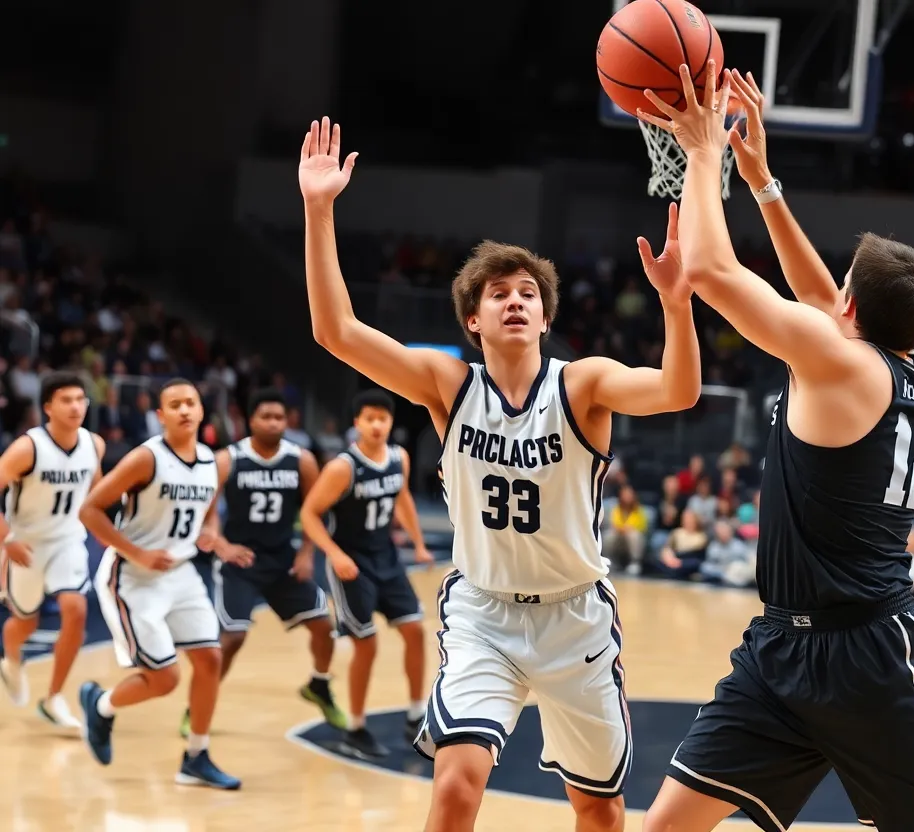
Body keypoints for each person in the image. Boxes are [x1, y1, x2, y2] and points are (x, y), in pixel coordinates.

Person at [298, 116, 700, 832]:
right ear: (473, 321)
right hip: (484, 614)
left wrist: (675, 303)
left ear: (545, 318)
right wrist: (318, 209)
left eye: (527, 293)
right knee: (454, 789)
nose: (514, 300)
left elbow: (678, 391)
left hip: (574, 617)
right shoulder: (447, 386)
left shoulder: (584, 385)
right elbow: (335, 333)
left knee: (600, 814)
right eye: (498, 293)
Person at [636, 65, 914, 832]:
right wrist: (762, 183)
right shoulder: (896, 364)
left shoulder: (843, 361)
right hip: (781, 648)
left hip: (867, 656)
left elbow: (715, 272)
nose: (827, 292)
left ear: (852, 308)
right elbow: (822, 297)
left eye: (842, 285)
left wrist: (702, 152)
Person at [78, 379, 251, 790]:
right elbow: (91, 511)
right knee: (165, 679)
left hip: (182, 572)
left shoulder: (210, 461)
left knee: (210, 659)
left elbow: (207, 511)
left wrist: (212, 534)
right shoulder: (146, 459)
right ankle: (101, 706)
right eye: (174, 405)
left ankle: (196, 757)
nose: (184, 410)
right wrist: (137, 553)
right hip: (133, 577)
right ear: (161, 416)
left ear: (201, 410)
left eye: (191, 402)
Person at [180, 387, 344, 739]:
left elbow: (315, 512)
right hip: (240, 561)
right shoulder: (227, 459)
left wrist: (305, 555)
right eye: (266, 417)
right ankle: (196, 706)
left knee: (323, 626)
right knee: (233, 637)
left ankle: (319, 684)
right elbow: (206, 514)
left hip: (283, 560)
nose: (273, 423)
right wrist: (221, 543)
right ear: (250, 421)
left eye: (279, 417)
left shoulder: (301, 459)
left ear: (288, 421)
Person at [298, 388, 433, 760]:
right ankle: (355, 728)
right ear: (356, 423)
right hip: (351, 564)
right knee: (366, 644)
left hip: (387, 559)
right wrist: (335, 554)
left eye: (383, 418)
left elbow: (402, 497)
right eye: (369, 418)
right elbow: (309, 515)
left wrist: (418, 543)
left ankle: (415, 713)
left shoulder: (398, 457)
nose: (376, 425)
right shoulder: (343, 467)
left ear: (391, 422)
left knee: (415, 631)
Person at [0, 372, 104, 729]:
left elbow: (97, 494)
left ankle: (54, 697)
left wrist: (112, 533)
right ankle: (11, 660)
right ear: (47, 407)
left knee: (75, 608)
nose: (76, 406)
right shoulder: (28, 448)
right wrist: (7, 538)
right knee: (24, 623)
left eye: (80, 399)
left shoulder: (95, 445)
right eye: (66, 400)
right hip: (26, 544)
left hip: (68, 541)